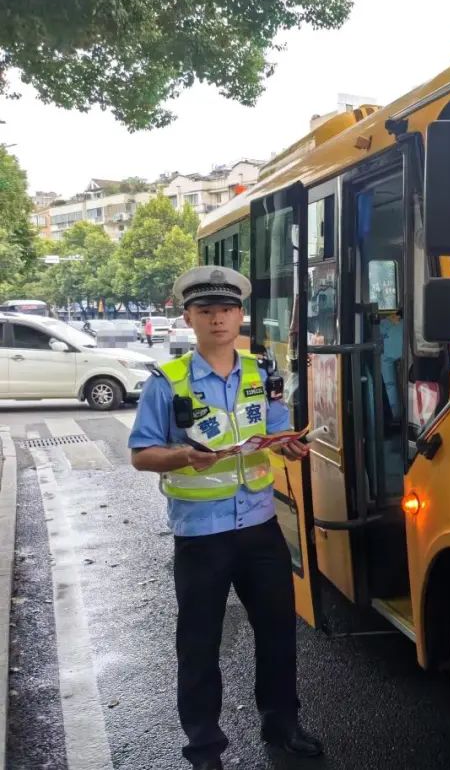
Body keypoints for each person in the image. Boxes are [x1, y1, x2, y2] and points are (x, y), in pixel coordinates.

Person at [127, 266, 323, 770]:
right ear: (189, 317)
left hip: (259, 527)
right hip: (201, 535)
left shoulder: (262, 373)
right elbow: (141, 454)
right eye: (206, 311)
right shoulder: (167, 383)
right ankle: (204, 748)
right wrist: (182, 457)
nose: (218, 319)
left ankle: (282, 724)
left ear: (241, 315)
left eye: (227, 310)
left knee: (278, 632)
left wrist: (291, 446)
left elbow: (275, 432)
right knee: (199, 644)